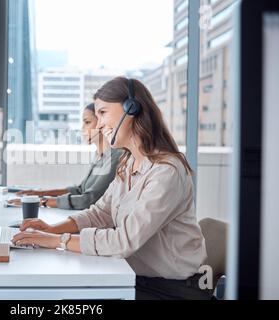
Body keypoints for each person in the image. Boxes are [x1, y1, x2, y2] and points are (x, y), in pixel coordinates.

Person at [12, 77, 211, 300]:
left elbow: (123, 241)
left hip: (173, 289)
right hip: (138, 278)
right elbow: (100, 213)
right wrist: (51, 229)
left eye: (103, 113)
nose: (98, 125)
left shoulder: (166, 171)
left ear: (132, 109)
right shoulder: (127, 163)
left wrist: (59, 241)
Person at [8, 103, 123, 210]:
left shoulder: (114, 157)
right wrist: (39, 193)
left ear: (102, 124)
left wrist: (41, 202)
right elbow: (80, 190)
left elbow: (88, 200)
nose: (82, 128)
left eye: (87, 122)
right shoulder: (100, 155)